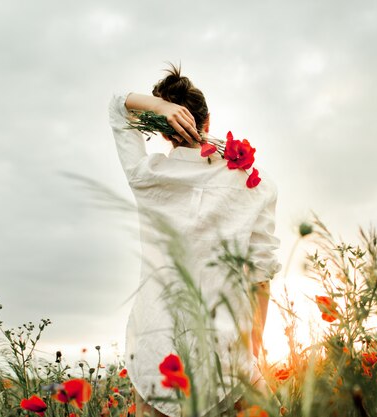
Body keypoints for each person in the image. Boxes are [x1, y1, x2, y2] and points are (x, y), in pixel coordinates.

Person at [108, 63, 281, 417]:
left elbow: (117, 106)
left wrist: (159, 108)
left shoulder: (149, 176)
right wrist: (255, 347)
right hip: (229, 354)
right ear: (209, 120)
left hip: (157, 346)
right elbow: (261, 277)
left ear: (163, 131)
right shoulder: (255, 185)